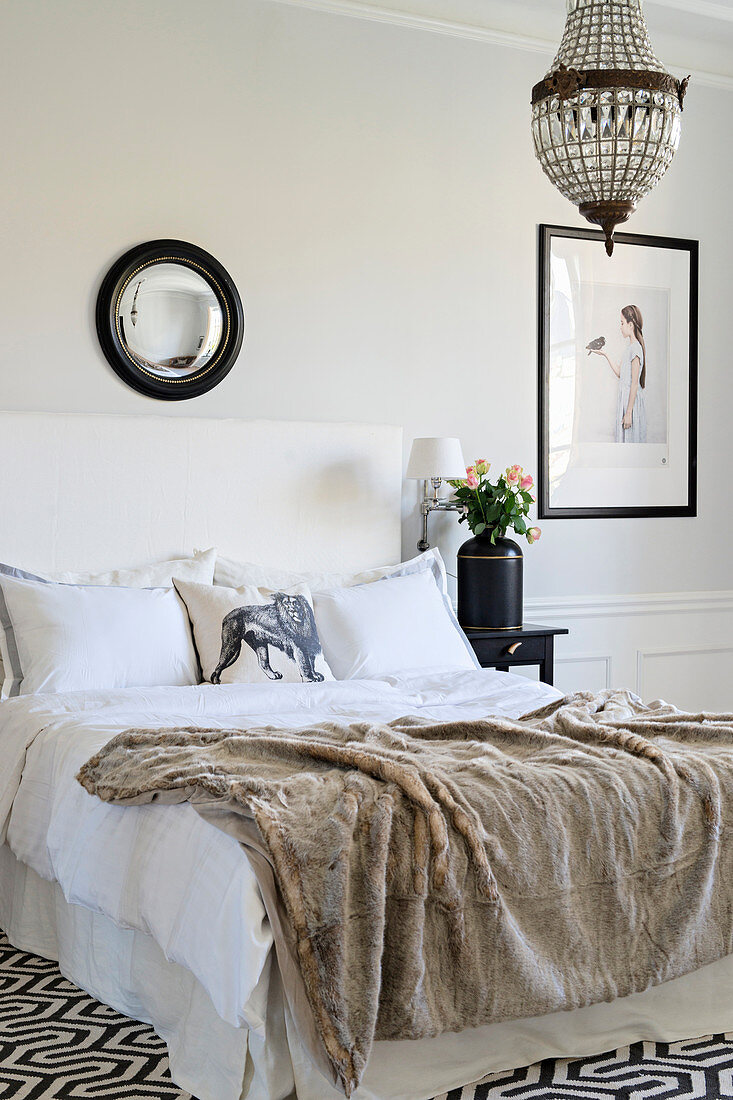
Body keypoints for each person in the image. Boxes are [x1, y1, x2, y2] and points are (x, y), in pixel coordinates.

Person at [591, 304, 647, 443]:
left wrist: (628, 413)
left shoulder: (635, 350)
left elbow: (634, 384)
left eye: (622, 323)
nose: (620, 327)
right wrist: (605, 354)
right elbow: (620, 374)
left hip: (630, 404)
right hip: (626, 402)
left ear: (631, 324)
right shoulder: (629, 349)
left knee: (631, 442)